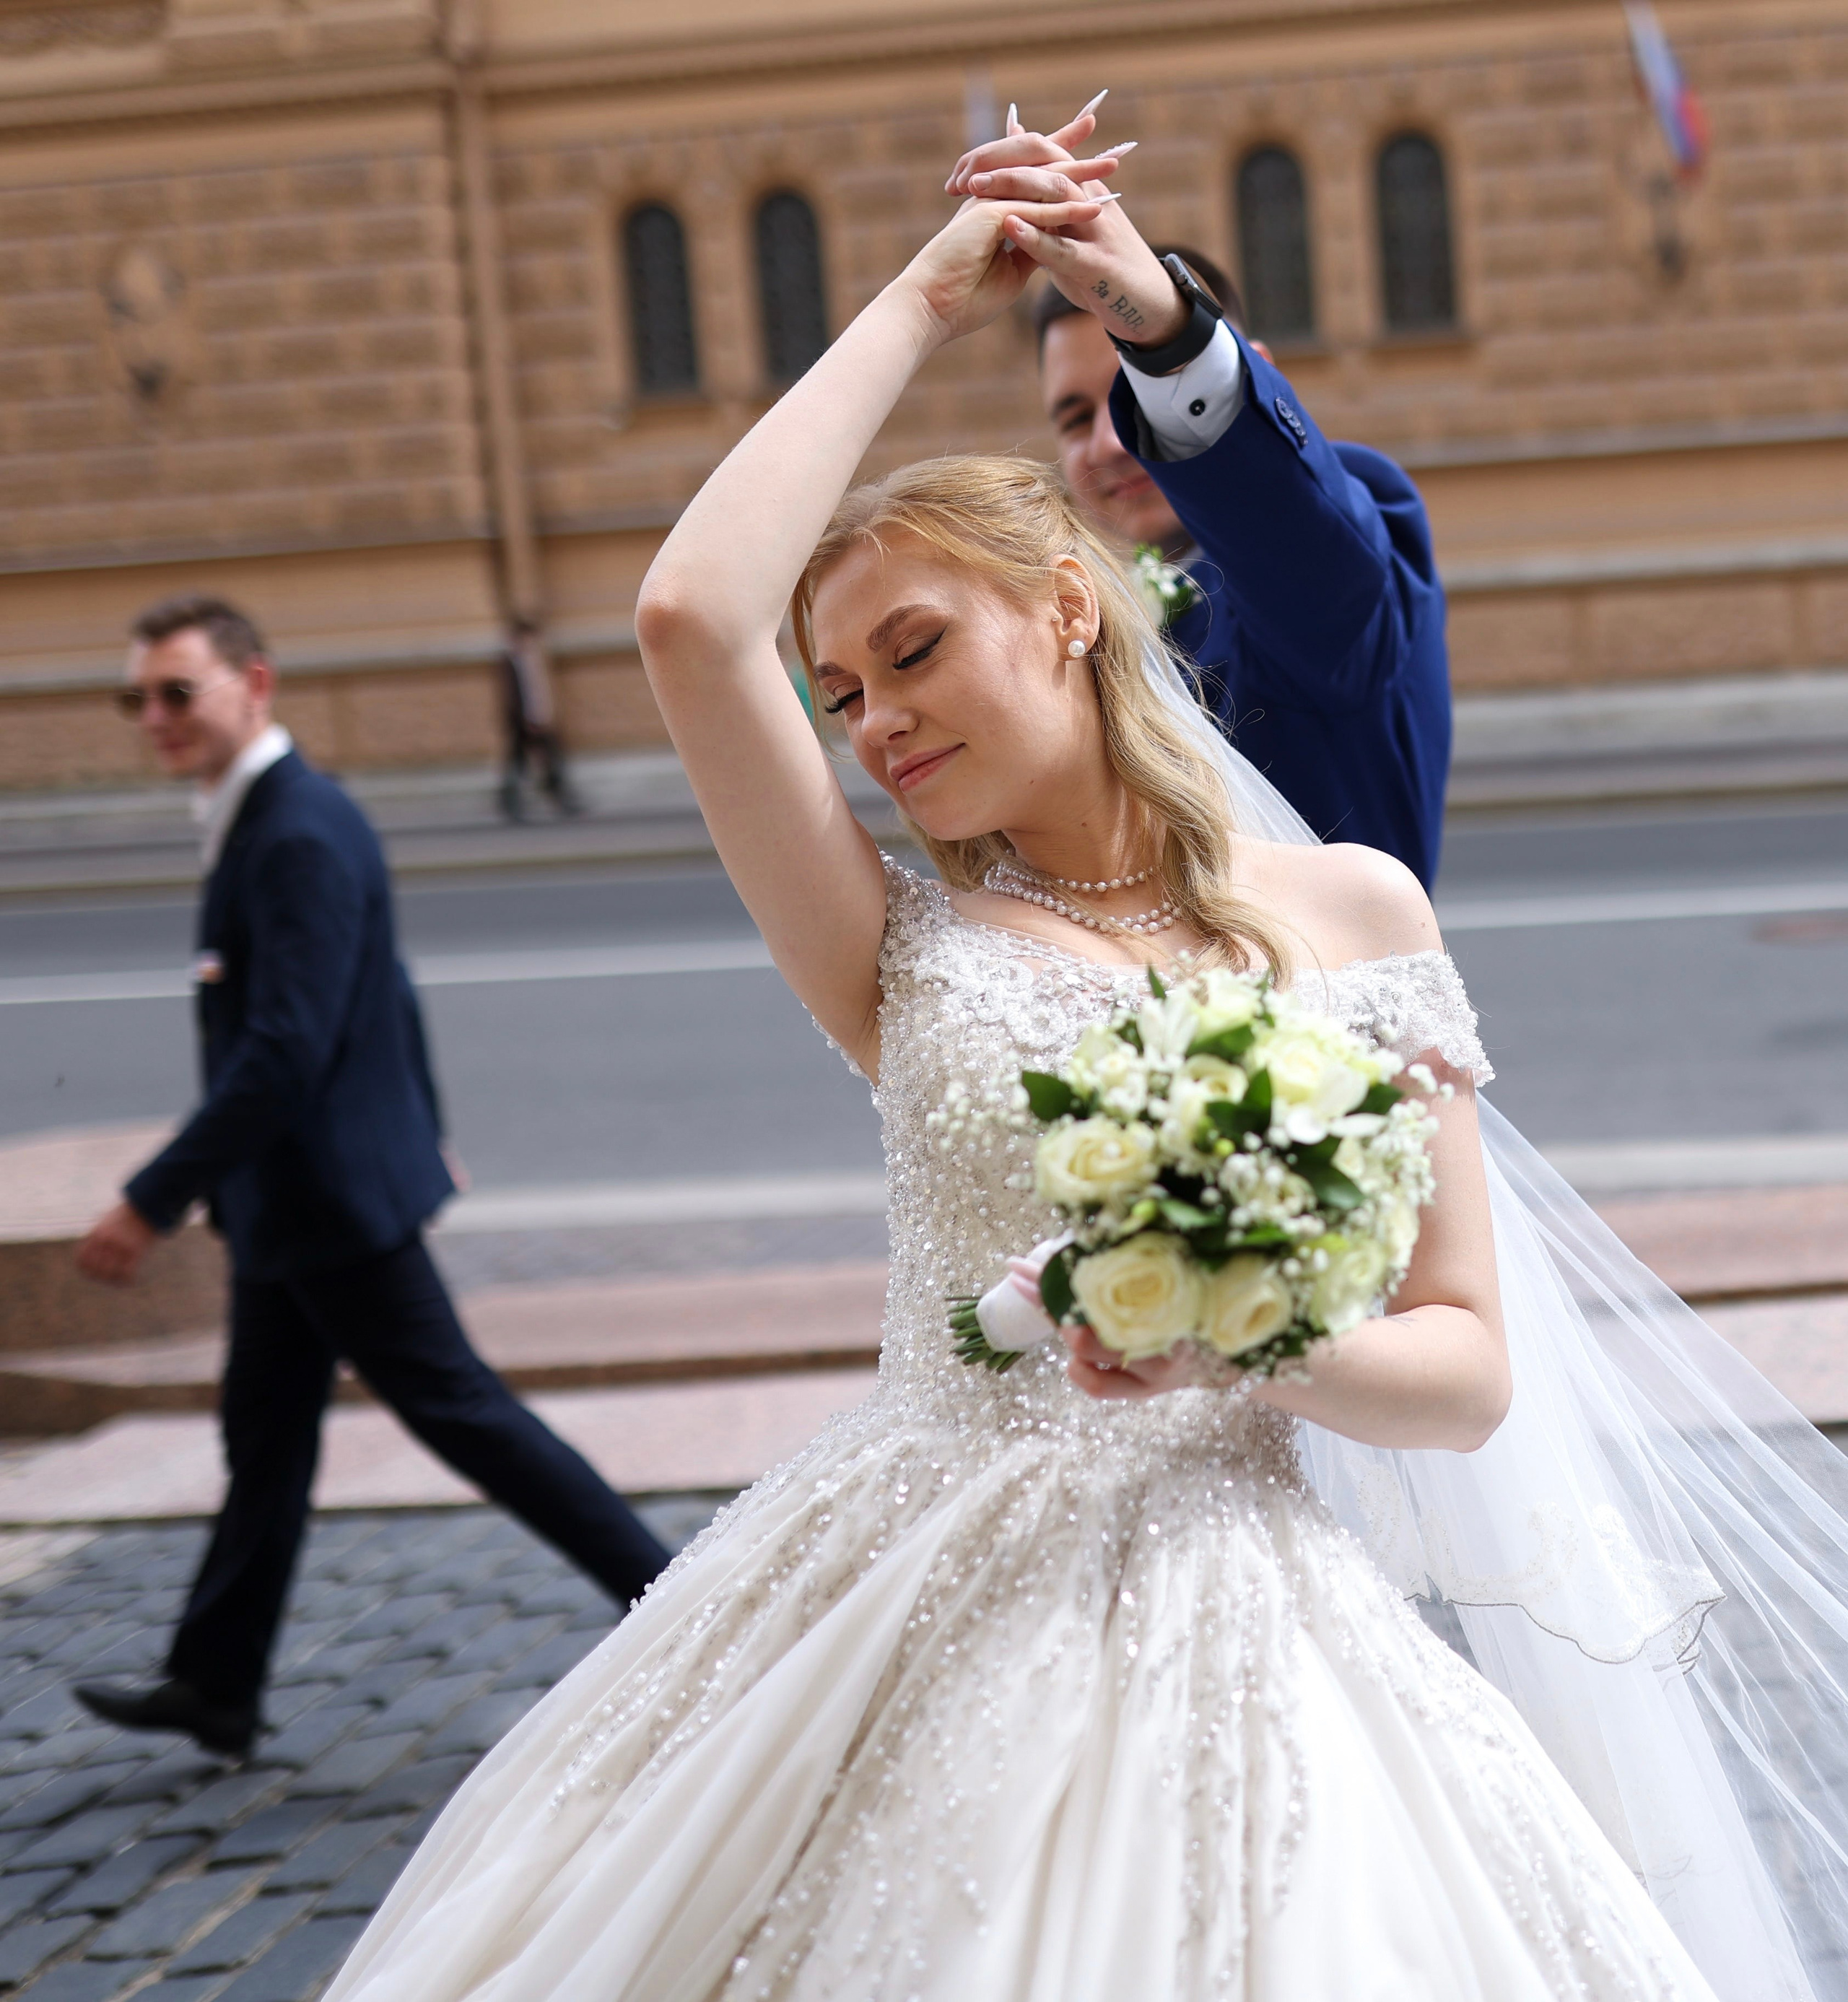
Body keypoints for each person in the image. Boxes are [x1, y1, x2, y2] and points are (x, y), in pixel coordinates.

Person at [323, 160, 1848, 2002]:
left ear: (1064, 609)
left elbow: (1462, 1371)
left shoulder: (1351, 913)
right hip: (899, 1588)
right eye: (840, 695)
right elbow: (682, 618)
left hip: (1252, 1590)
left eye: (912, 648)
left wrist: (1238, 1339)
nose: (876, 722)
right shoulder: (892, 940)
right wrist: (920, 298)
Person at [73, 596, 668, 1759]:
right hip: (293, 1206)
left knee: (466, 1417)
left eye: (176, 692)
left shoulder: (293, 831)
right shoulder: (269, 816)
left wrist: (150, 1197)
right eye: (136, 697)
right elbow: (381, 1000)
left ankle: (687, 1599)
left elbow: (283, 1052)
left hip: (327, 1204)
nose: (154, 717)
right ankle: (215, 1677)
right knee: (268, 1432)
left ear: (257, 682)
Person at [947, 103, 1450, 887]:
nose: (1110, 443)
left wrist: (1163, 333)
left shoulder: (1341, 529)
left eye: (1131, 397)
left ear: (1251, 364)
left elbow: (1306, 557)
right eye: (1076, 418)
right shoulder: (1064, 611)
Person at [497, 615, 580, 821]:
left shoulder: (532, 661)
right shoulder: (511, 662)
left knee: (548, 763)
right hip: (524, 724)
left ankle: (560, 799)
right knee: (519, 766)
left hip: (537, 721)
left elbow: (539, 694)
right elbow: (518, 697)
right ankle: (510, 803)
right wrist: (529, 720)